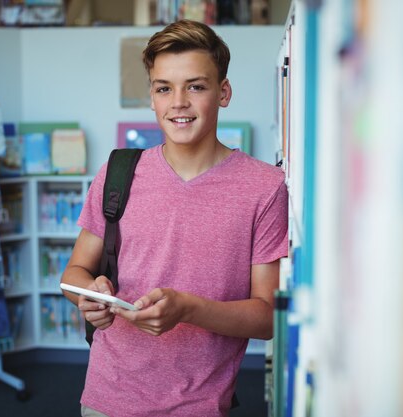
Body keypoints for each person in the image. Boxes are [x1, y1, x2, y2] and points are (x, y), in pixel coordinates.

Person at [61, 19, 288, 417]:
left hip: (199, 406)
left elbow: (266, 317)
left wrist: (187, 309)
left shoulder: (265, 187)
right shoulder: (118, 173)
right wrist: (90, 295)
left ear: (224, 92)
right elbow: (73, 273)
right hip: (105, 399)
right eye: (164, 88)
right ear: (152, 97)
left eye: (196, 86)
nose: (178, 102)